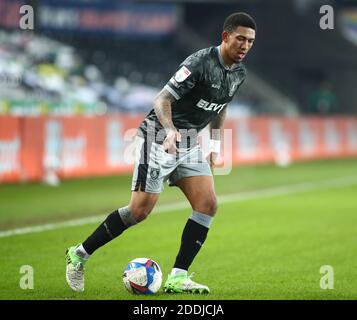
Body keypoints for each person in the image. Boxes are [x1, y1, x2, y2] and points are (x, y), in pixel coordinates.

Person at [65, 12, 256, 294]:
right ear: (226, 36)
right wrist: (169, 130)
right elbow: (162, 99)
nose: (245, 45)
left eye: (250, 41)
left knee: (208, 204)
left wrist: (215, 146)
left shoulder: (238, 74)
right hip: (157, 137)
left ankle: (178, 277)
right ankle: (79, 254)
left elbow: (221, 105)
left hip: (189, 143)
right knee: (139, 211)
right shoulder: (199, 63)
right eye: (240, 38)